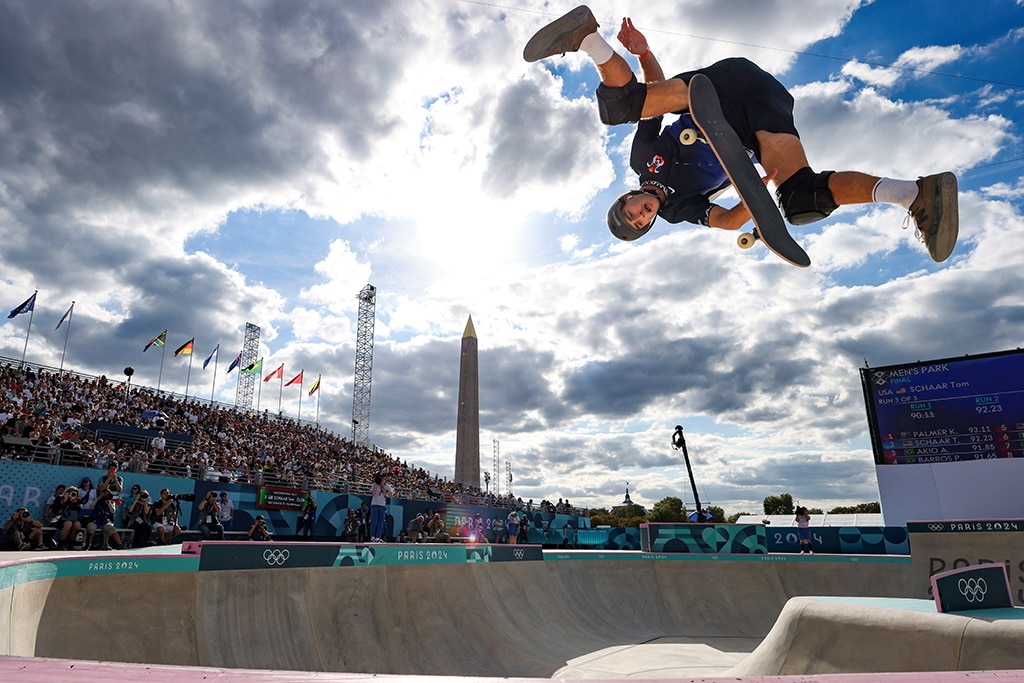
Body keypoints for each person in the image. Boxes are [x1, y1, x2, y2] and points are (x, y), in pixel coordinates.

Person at [524, 7, 959, 262]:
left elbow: (651, 92)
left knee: (622, 106)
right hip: (762, 117)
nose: (642, 214)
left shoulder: (643, 158)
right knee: (800, 200)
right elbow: (730, 220)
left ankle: (586, 38)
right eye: (642, 223)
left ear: (626, 197)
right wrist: (756, 192)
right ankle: (913, 194)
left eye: (632, 211)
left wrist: (644, 52)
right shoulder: (678, 210)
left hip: (715, 90)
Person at [369, 473, 393, 543]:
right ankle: (372, 536)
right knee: (373, 520)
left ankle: (378, 537)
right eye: (381, 478)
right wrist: (375, 484)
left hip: (382, 505)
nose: (382, 479)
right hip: (375, 504)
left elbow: (391, 496)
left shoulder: (387, 486)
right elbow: (373, 493)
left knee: (380, 521)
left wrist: (385, 490)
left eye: (383, 478)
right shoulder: (375, 485)